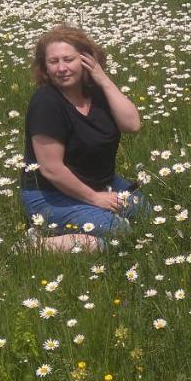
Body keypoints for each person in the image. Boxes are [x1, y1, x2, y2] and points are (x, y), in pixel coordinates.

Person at [19, 25, 145, 251]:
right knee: (120, 233)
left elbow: (133, 125)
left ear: (86, 60)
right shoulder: (46, 103)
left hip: (99, 182)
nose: (61, 68)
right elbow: (52, 169)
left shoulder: (97, 92)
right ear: (44, 68)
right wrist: (95, 199)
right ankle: (36, 245)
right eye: (53, 62)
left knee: (145, 217)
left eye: (68, 59)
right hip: (51, 194)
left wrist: (103, 80)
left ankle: (79, 230)